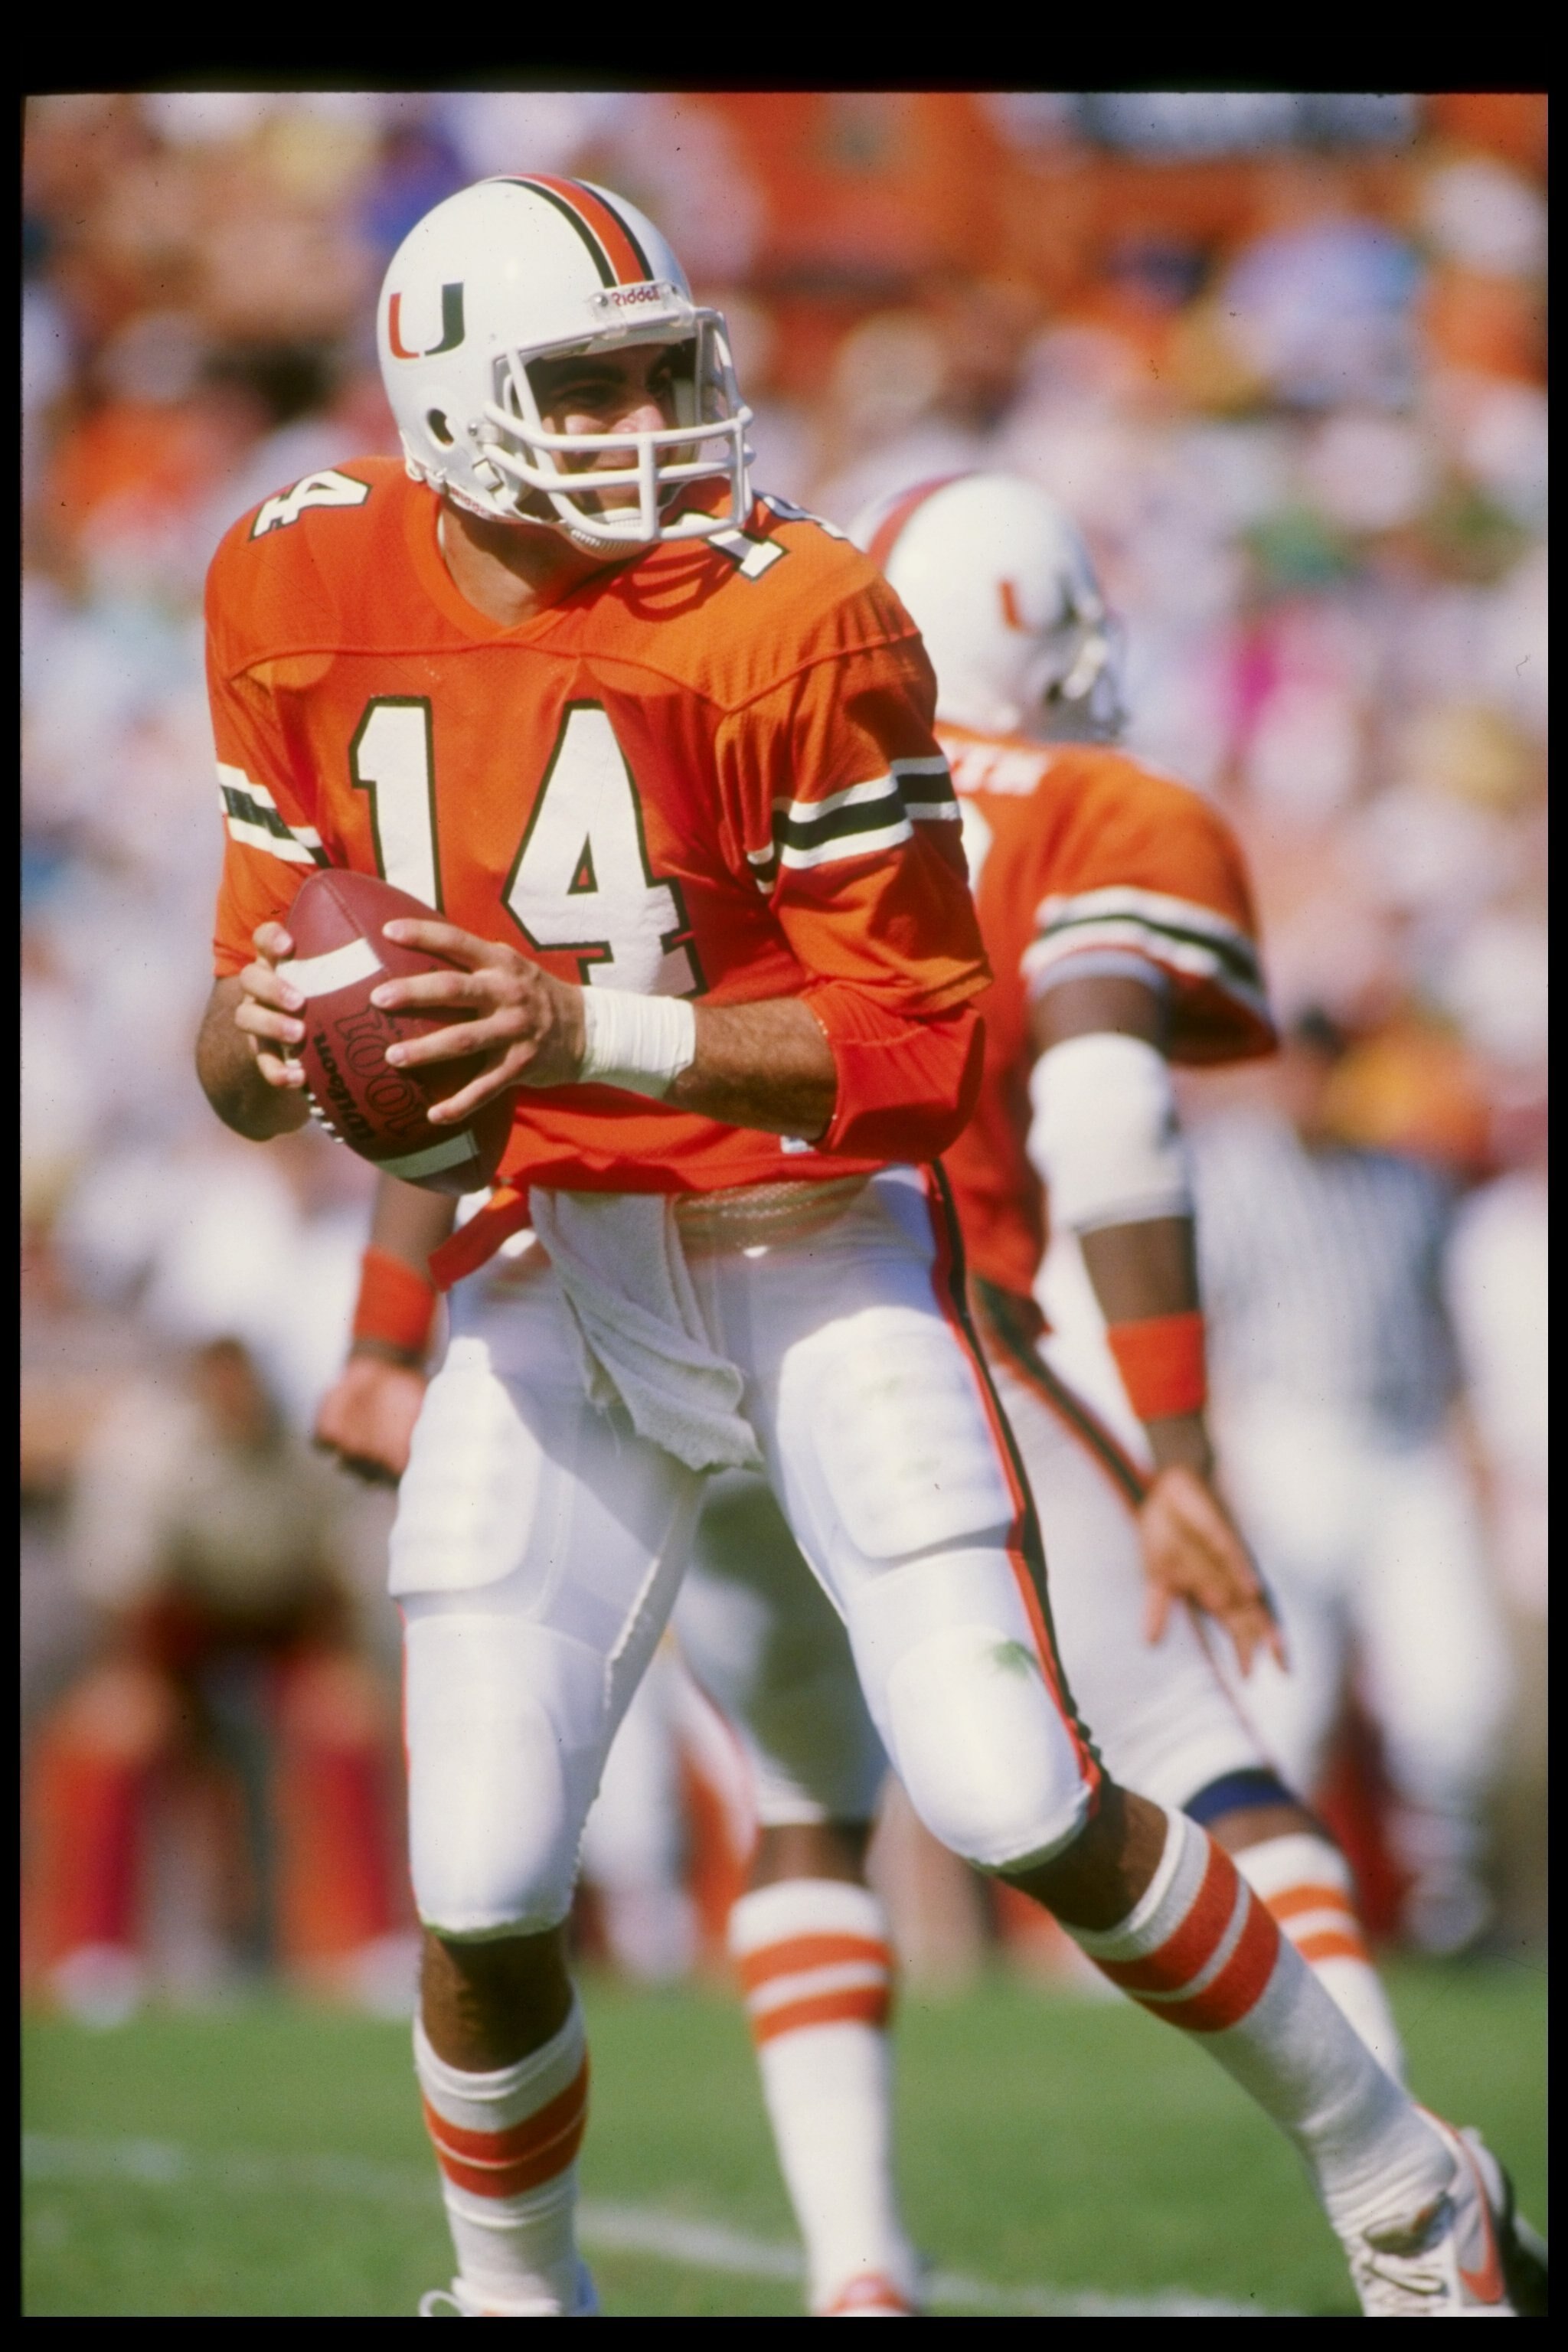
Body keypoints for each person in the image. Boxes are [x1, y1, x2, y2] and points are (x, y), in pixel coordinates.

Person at [197, 176, 1528, 2320]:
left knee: (1015, 1797)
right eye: (586, 384)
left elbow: (920, 1054)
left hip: (816, 1240)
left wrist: (579, 1028)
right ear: (441, 409)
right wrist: (275, 1041)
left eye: (663, 370)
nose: (651, 423)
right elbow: (243, 1060)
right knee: (481, 1871)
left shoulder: (791, 611)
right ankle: (516, 2296)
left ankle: (1405, 2186)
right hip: (555, 1266)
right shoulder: (291, 579)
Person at [1190, 1011, 1516, 1957]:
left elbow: (1446, 1343)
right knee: (1285, 1701)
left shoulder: (1406, 1183)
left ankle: (1453, 1908)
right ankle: (1248, 1922)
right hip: (1288, 1438)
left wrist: (1471, 1460)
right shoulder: (1230, 1177)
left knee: (1456, 1695)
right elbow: (1203, 1338)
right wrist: (1211, 1471)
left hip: (1404, 1447)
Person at [25, 1335, 405, 2020]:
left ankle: (372, 1943)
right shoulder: (145, 1456)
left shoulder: (309, 1452)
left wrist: (331, 1670)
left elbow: (333, 1588)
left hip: (280, 1627)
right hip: (173, 1636)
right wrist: (142, 1685)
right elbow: (126, 1599)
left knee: (348, 1720)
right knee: (118, 1735)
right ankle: (98, 1954)